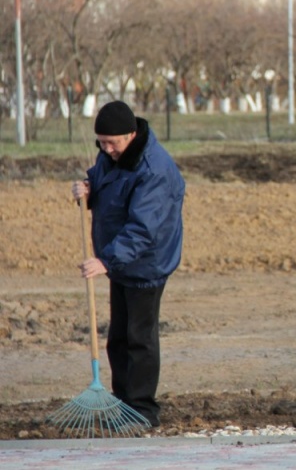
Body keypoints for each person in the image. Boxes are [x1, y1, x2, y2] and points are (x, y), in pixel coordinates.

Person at [71, 100, 185, 428]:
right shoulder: (111, 155)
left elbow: (144, 228)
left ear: (131, 135)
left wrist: (106, 260)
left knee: (139, 337)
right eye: (101, 143)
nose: (107, 150)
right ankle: (124, 406)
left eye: (113, 143)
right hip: (118, 261)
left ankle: (143, 412)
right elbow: (106, 185)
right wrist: (87, 191)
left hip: (146, 261)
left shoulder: (154, 169)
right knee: (118, 337)